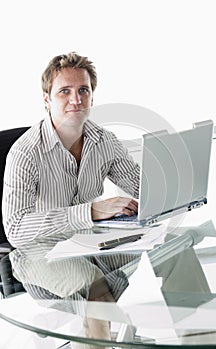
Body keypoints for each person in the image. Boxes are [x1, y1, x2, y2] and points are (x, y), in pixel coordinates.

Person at [2, 52, 140, 248]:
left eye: (83, 90)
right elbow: (16, 229)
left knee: (170, 248)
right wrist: (90, 212)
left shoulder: (105, 141)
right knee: (90, 278)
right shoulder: (26, 153)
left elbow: (141, 187)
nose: (76, 100)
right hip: (45, 253)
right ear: (47, 100)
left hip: (93, 242)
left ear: (92, 98)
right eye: (65, 91)